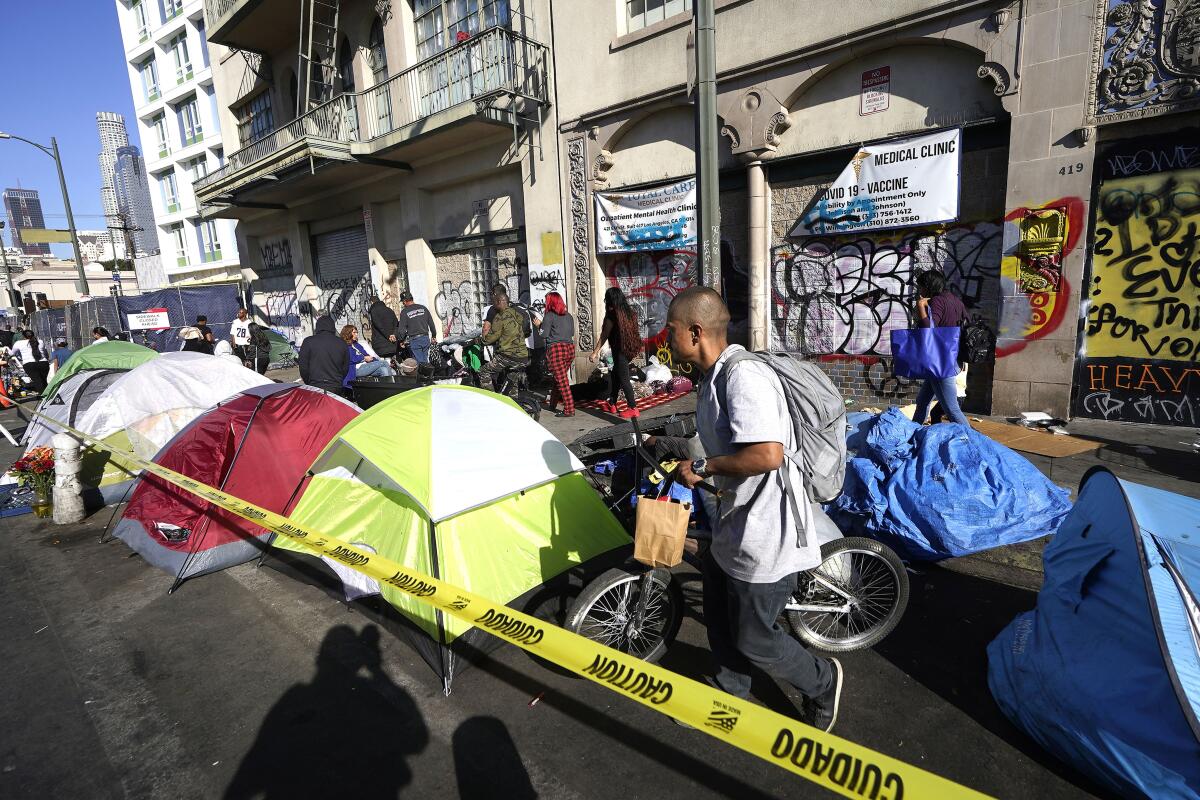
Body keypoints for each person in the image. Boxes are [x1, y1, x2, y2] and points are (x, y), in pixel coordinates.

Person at [669, 287, 843, 734]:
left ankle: (821, 682)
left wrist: (703, 467)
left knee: (754, 638)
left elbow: (766, 454)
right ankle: (732, 695)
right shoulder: (713, 376)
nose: (664, 339)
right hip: (734, 521)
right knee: (721, 619)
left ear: (695, 331)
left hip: (769, 532)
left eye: (670, 331)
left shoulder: (743, 377)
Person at [911, 269, 970, 427]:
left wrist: (921, 306)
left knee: (952, 409)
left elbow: (928, 330)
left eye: (921, 287)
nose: (920, 291)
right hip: (950, 357)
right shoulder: (955, 300)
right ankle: (913, 433)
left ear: (929, 286)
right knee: (922, 401)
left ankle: (973, 441)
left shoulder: (937, 301)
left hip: (940, 361)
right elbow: (966, 324)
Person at [589, 287, 640, 418]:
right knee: (615, 376)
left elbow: (604, 335)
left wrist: (595, 352)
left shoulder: (612, 316)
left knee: (623, 379)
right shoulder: (629, 313)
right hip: (628, 350)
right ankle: (612, 403)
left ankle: (633, 407)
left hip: (620, 352)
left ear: (610, 300)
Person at [478, 289, 529, 398]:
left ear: (499, 302)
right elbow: (524, 331)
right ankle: (513, 401)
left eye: (494, 302)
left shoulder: (499, 317)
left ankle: (492, 400)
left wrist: (480, 340)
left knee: (483, 371)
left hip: (508, 356)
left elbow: (489, 339)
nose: (493, 305)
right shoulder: (516, 313)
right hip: (523, 356)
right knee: (511, 378)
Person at [534, 291, 576, 417]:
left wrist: (538, 325)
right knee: (559, 379)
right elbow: (572, 332)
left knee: (562, 380)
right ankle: (552, 404)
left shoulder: (549, 316)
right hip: (569, 348)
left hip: (556, 349)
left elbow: (543, 334)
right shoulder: (568, 316)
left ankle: (569, 409)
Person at [299, 316, 351, 394]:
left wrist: (308, 382)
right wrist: (339, 380)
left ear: (317, 327)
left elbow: (303, 367)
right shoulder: (341, 343)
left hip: (315, 385)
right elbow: (345, 367)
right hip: (335, 385)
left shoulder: (308, 341)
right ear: (332, 327)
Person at [396, 291, 437, 364]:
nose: (403, 304)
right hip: (425, 338)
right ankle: (428, 374)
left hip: (415, 341)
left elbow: (401, 329)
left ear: (405, 301)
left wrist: (401, 340)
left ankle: (424, 374)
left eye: (403, 302)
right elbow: (431, 324)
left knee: (419, 363)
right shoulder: (423, 308)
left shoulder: (404, 312)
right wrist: (434, 335)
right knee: (425, 360)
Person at [367, 294, 400, 360]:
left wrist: (388, 336)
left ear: (371, 302)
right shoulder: (389, 310)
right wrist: (393, 335)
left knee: (384, 365)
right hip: (392, 344)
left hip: (380, 345)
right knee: (392, 362)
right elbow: (396, 325)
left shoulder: (374, 311)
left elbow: (379, 326)